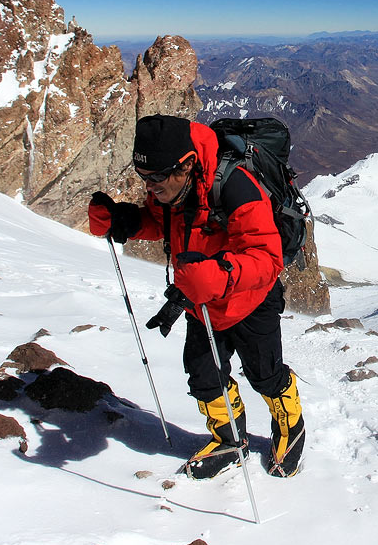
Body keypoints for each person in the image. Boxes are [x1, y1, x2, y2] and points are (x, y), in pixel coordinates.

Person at [88, 114, 305, 479]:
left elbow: (267, 257)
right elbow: (163, 222)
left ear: (186, 164)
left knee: (265, 375)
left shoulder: (236, 186)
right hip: (201, 301)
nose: (150, 186)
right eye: (144, 177)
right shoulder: (176, 185)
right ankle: (230, 439)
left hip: (250, 300)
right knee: (204, 379)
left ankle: (291, 427)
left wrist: (220, 276)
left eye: (156, 178)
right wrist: (124, 221)